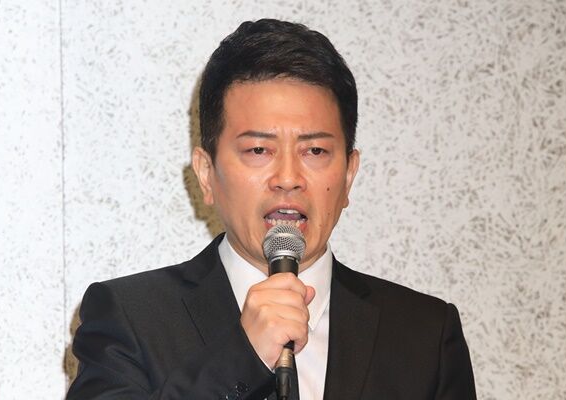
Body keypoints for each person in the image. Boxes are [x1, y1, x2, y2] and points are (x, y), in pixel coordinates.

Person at [66, 19, 476, 400]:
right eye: (259, 150)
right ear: (207, 174)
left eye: (315, 151)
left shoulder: (424, 335)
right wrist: (242, 357)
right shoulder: (129, 318)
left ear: (349, 175)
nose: (288, 178)